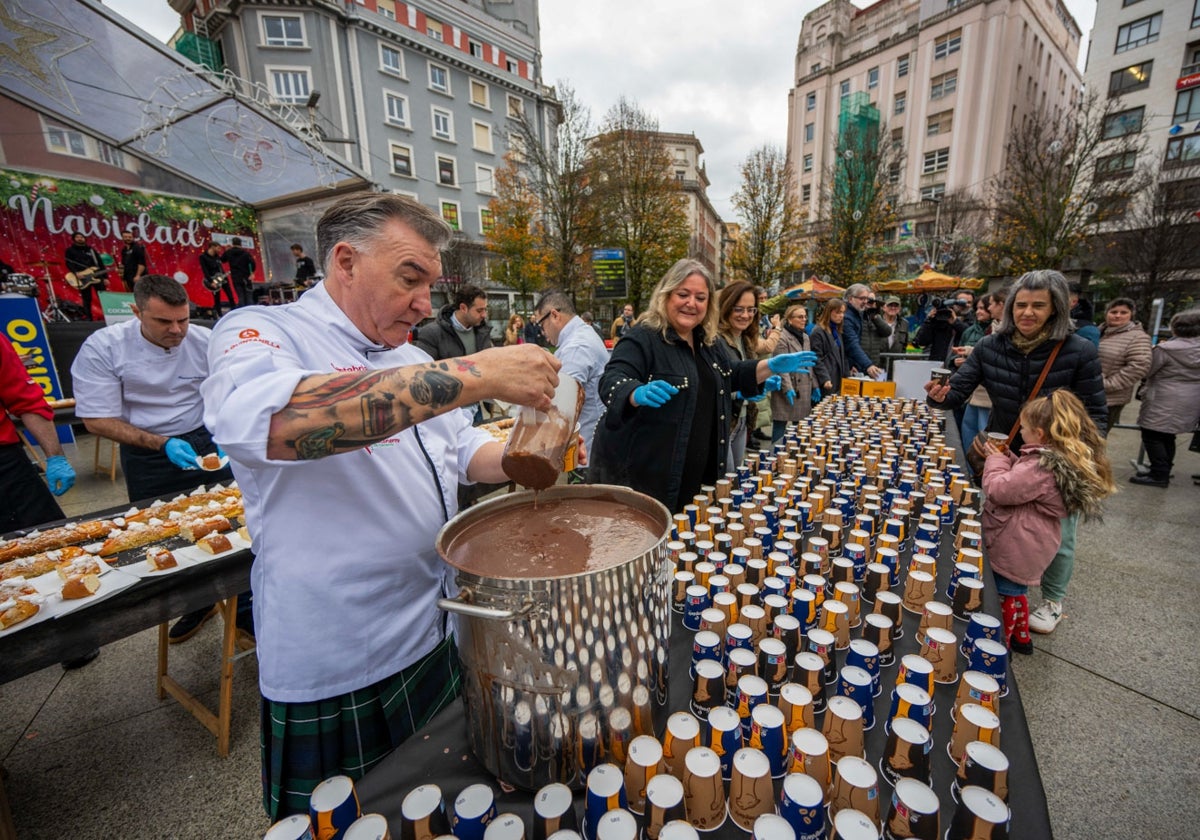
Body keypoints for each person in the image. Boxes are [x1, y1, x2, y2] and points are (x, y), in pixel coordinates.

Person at [199, 193, 559, 820]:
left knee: (441, 810)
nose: (425, 303)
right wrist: (479, 371)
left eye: (430, 283)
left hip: (437, 625)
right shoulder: (264, 332)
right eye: (409, 279)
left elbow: (457, 446)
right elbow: (279, 421)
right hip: (342, 650)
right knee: (348, 822)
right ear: (345, 261)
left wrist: (520, 457)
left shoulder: (414, 357)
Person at [925, 269, 1107, 636]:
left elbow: (1096, 415)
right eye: (1021, 305)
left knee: (1057, 534)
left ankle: (1052, 599)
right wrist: (937, 396)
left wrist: (1075, 460)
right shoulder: (992, 345)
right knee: (1004, 521)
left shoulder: (1078, 351)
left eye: (1038, 306)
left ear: (1056, 308)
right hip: (1008, 448)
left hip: (1058, 459)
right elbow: (956, 392)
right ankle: (1001, 588)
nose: (1028, 313)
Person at [71, 274, 240, 644]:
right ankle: (196, 603)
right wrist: (162, 444)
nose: (177, 330)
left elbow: (231, 392)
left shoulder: (204, 340)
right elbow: (96, 418)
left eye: (183, 319)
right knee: (164, 534)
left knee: (230, 521)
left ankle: (244, 608)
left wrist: (229, 433)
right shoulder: (105, 347)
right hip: (146, 446)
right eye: (164, 322)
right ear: (136, 312)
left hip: (204, 435)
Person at [588, 259, 813, 514]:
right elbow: (612, 377)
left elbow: (732, 373)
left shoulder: (707, 341)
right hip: (650, 478)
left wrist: (770, 366)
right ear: (666, 295)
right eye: (683, 294)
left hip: (697, 474)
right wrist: (633, 392)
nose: (691, 303)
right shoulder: (644, 337)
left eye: (700, 297)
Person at [982, 390, 1114, 654]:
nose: (1020, 433)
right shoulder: (1056, 459)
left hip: (1016, 543)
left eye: (1025, 428)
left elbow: (999, 489)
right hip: (1033, 541)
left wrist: (995, 460)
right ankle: (1021, 637)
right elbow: (1027, 481)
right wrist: (1011, 459)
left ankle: (997, 647)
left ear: (1040, 434)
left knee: (1003, 596)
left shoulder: (1040, 466)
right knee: (1016, 593)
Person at [532, 290, 609, 482]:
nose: (542, 331)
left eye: (541, 324)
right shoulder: (583, 334)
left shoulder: (576, 347)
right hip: (592, 443)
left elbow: (560, 402)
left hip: (587, 450)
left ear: (554, 315)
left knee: (583, 506)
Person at [1129, 309, 1200, 488]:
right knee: (1168, 436)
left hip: (1163, 396)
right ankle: (1165, 469)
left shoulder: (1166, 349)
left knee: (1152, 435)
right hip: (1191, 397)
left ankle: (1159, 474)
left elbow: (1148, 369)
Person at [714, 281, 767, 468]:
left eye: (751, 309)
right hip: (723, 422)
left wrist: (763, 381)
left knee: (736, 477)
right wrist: (738, 392)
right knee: (726, 483)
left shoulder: (746, 338)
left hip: (742, 418)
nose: (746, 315)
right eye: (739, 309)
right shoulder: (714, 339)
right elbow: (713, 385)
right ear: (726, 308)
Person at [955, 292, 1006, 449]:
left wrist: (972, 357)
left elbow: (998, 356)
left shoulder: (1008, 331)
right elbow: (988, 351)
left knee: (983, 443)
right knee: (969, 438)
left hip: (990, 397)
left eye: (989, 305)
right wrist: (970, 352)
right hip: (976, 394)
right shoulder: (992, 329)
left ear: (1002, 304)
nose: (988, 309)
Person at [1097, 297, 1152, 429]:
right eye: (1113, 311)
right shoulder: (1099, 332)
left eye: (1123, 312)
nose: (1117, 315)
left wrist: (1107, 384)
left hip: (1110, 399)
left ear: (1131, 315)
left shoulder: (1138, 337)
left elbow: (1139, 367)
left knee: (1094, 439)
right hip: (1088, 393)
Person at [770, 304, 815, 442]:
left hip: (804, 387)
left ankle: (795, 455)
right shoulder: (782, 337)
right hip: (787, 387)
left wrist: (815, 385)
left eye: (805, 317)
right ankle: (775, 454)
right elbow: (781, 367)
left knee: (800, 429)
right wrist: (788, 388)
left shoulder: (805, 337)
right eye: (800, 317)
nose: (804, 320)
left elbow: (808, 364)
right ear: (789, 319)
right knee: (780, 425)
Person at [414, 282, 493, 361]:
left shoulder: (483, 331)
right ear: (463, 308)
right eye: (479, 311)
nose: (484, 315)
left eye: (485, 309)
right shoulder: (432, 334)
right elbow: (424, 369)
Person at [841, 284, 886, 379]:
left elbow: (886, 331)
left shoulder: (857, 314)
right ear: (850, 299)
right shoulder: (847, 317)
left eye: (866, 299)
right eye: (862, 299)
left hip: (850, 365)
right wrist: (868, 365)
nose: (865, 302)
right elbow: (851, 343)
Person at [63, 232, 107, 320]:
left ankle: (108, 315)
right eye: (77, 237)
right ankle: (88, 317)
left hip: (96, 275)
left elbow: (100, 263)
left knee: (103, 296)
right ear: (74, 239)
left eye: (82, 237)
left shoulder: (91, 250)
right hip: (82, 277)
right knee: (87, 298)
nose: (80, 238)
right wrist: (76, 273)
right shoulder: (70, 250)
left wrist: (105, 277)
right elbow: (69, 263)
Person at [810, 299, 848, 396]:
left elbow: (842, 356)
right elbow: (816, 358)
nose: (841, 316)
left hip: (838, 379)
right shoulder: (818, 331)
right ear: (829, 312)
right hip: (827, 381)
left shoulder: (836, 330)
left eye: (843, 312)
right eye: (838, 312)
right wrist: (825, 378)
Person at [861, 294, 907, 369]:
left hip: (895, 365)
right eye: (890, 305)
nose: (893, 308)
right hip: (877, 363)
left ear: (899, 308)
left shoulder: (904, 323)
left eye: (896, 306)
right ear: (884, 307)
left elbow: (904, 346)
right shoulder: (875, 319)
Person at [855, 292, 894, 369]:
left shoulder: (875, 317)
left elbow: (887, 332)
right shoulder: (857, 317)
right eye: (869, 301)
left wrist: (875, 317)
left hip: (874, 364)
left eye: (873, 301)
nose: (870, 303)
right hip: (858, 364)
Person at [199, 242, 235, 317]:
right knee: (217, 297)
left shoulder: (217, 256)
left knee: (230, 295)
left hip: (222, 277)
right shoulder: (203, 257)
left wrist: (227, 251)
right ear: (212, 247)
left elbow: (223, 260)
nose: (219, 250)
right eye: (218, 248)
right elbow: (205, 270)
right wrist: (211, 281)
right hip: (213, 279)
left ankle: (234, 311)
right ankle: (219, 314)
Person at [221, 237, 256, 308]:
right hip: (246, 276)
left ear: (232, 243)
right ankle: (251, 312)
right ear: (240, 243)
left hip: (236, 277)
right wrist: (251, 272)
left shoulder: (229, 252)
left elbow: (222, 260)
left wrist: (226, 250)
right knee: (249, 295)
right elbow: (252, 263)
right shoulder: (245, 253)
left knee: (240, 296)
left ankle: (242, 312)